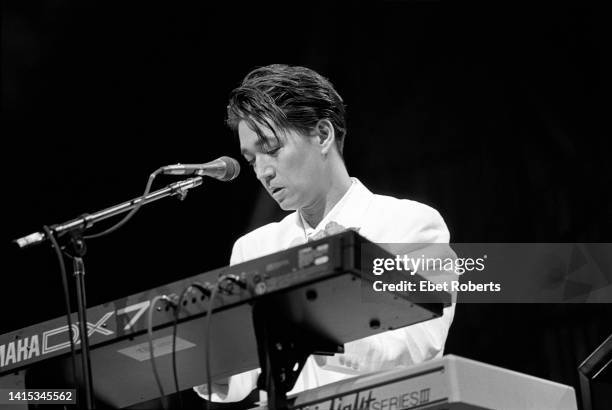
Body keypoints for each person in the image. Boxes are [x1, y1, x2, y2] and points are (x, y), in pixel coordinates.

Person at [195, 64, 455, 403]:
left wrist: (315, 330)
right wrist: (201, 360)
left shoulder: (410, 224)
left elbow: (418, 346)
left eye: (272, 148)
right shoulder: (254, 248)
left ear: (322, 135)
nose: (263, 172)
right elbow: (240, 375)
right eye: (251, 160)